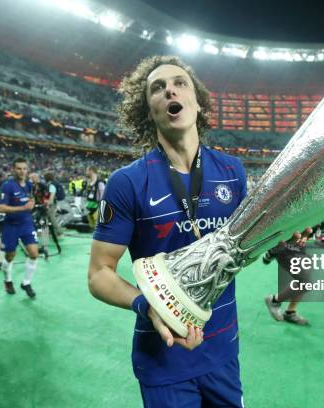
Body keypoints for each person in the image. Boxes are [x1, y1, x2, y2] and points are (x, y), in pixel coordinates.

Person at [87, 56, 249, 408]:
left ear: (198, 102)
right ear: (149, 111)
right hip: (163, 356)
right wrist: (146, 306)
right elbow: (99, 274)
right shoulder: (127, 182)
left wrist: (286, 239)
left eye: (180, 82)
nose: (169, 89)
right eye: (157, 88)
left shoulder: (232, 171)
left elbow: (250, 243)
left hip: (222, 347)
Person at [0, 158, 39, 298]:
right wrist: (22, 207)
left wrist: (32, 203)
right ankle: (7, 280)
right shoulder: (7, 186)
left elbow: (30, 199)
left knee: (34, 253)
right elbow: (0, 207)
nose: (22, 171)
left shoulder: (29, 184)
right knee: (10, 256)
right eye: (19, 168)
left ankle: (26, 283)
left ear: (27, 170)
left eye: (24, 168)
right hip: (11, 225)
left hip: (26, 223)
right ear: (13, 170)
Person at [43, 172, 63, 237]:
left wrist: (49, 202)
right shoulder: (53, 183)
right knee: (50, 218)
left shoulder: (51, 185)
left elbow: (52, 195)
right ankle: (54, 232)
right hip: (53, 203)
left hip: (52, 204)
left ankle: (59, 232)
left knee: (52, 218)